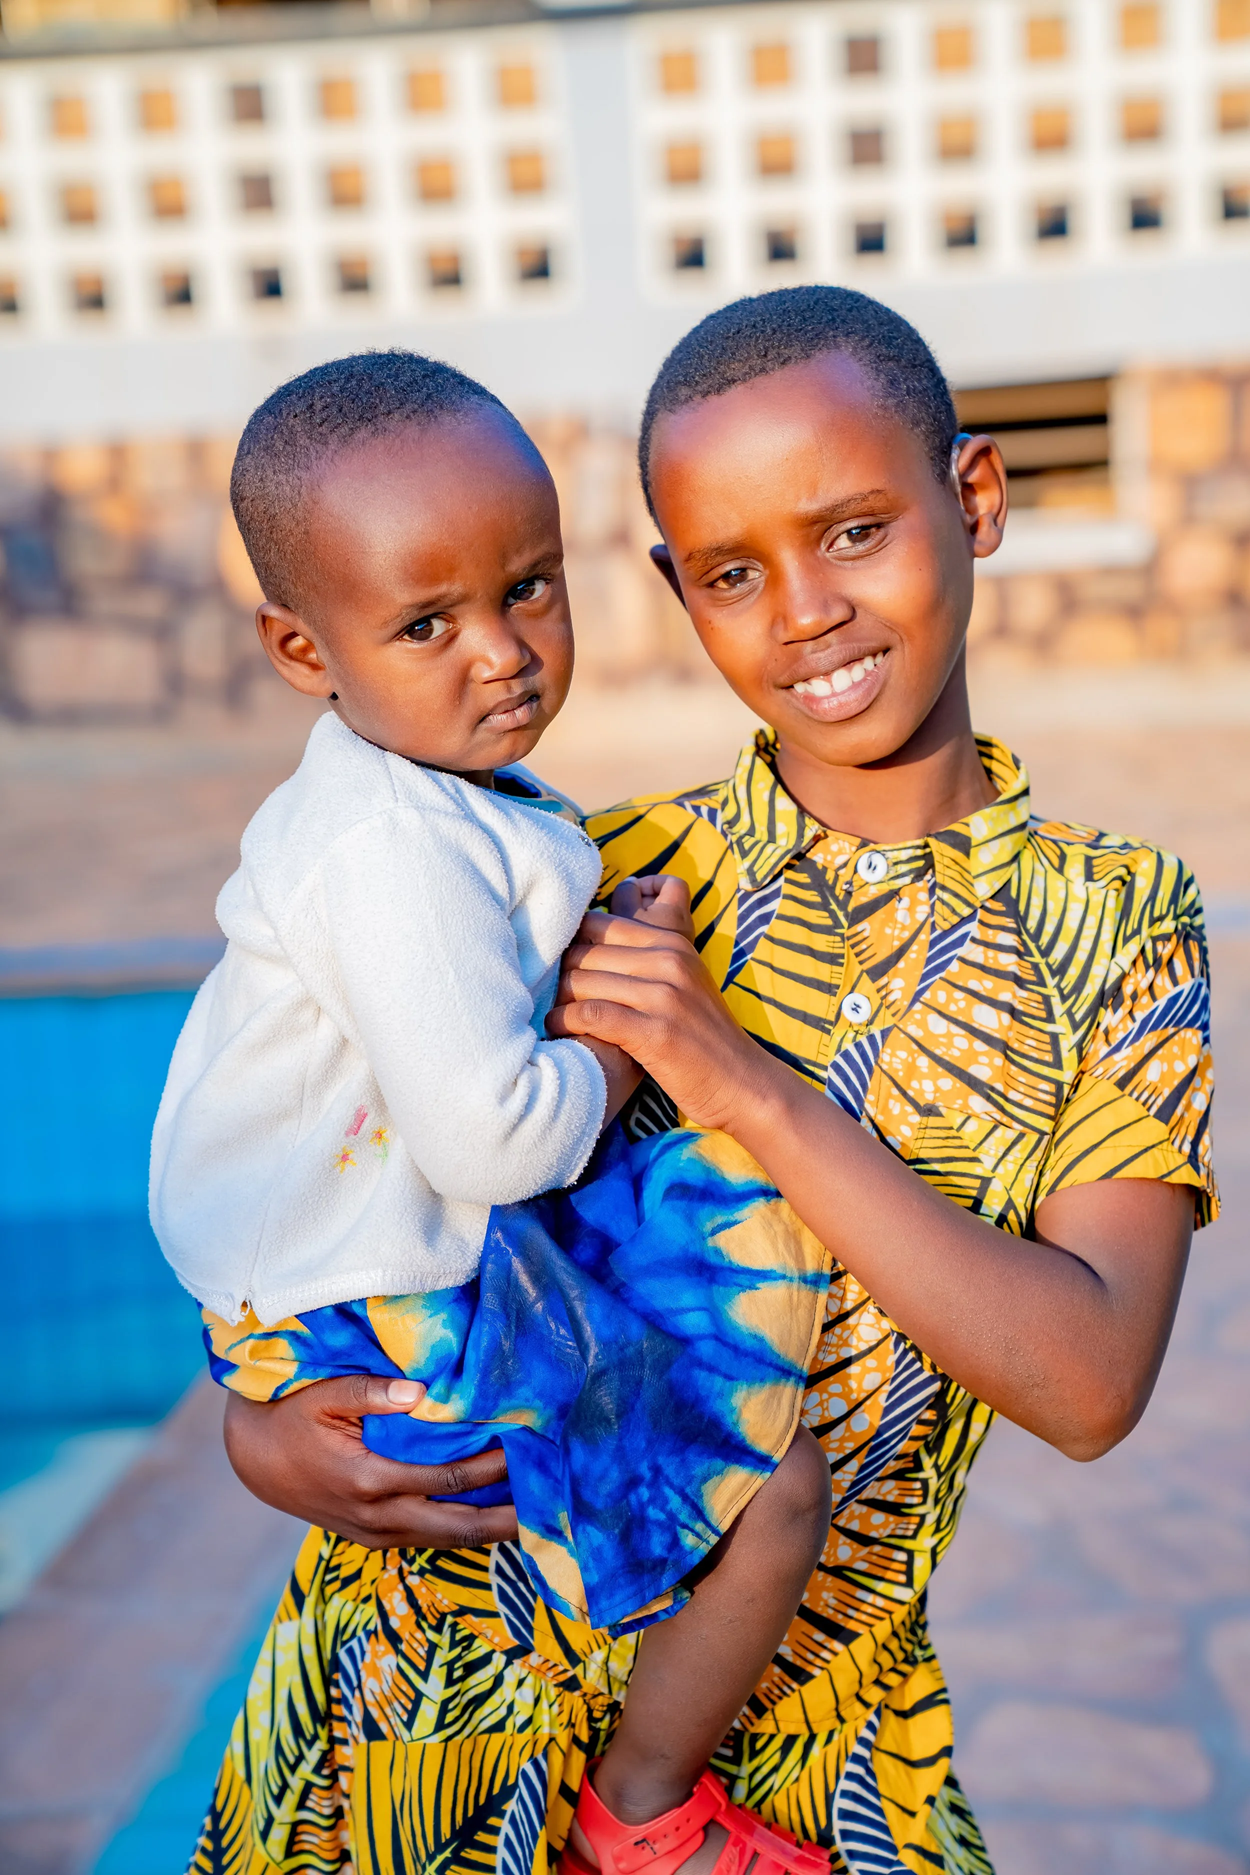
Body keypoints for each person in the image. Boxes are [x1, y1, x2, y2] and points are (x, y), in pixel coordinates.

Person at [205, 290, 1214, 1875]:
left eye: (856, 530)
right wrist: (254, 1430)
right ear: (677, 592)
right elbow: (329, 1158)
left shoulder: (1116, 923)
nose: (804, 612)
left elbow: (1085, 1380)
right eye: (733, 573)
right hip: (424, 1707)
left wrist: (742, 1081)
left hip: (810, 1758)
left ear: (974, 500)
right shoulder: (599, 875)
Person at [156, 350, 842, 1875]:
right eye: (427, 621)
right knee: (768, 1485)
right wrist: (618, 1024)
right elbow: (493, 1138)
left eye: (529, 588)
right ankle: (641, 1809)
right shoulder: (386, 849)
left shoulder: (437, 792)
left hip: (374, 1259)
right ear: (300, 646)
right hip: (359, 1297)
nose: (502, 653)